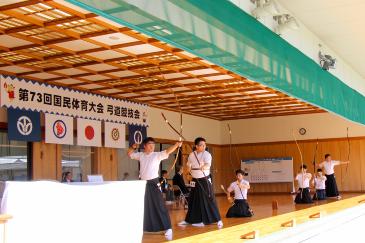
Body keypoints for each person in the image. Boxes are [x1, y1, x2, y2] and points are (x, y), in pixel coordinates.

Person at [127, 137, 181, 240]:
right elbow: (129, 154)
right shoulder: (141, 155)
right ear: (144, 146)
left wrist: (176, 145)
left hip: (153, 183)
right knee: (145, 206)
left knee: (159, 205)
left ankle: (168, 227)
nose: (152, 146)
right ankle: (146, 227)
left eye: (153, 144)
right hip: (143, 183)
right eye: (149, 144)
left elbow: (167, 151)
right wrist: (132, 147)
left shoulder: (156, 155)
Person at [178, 137, 223, 228]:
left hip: (204, 180)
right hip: (194, 180)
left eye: (204, 145)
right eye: (202, 145)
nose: (204, 146)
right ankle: (189, 220)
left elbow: (208, 164)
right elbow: (188, 166)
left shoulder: (207, 154)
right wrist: (187, 174)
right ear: (196, 146)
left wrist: (204, 167)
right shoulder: (191, 155)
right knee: (193, 200)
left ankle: (217, 220)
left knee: (208, 199)